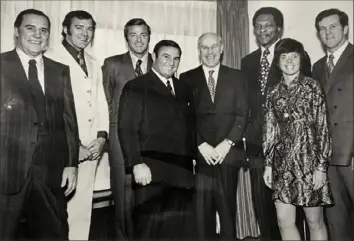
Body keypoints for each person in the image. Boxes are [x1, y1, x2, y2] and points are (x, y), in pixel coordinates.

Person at [0, 9, 79, 239]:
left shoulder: (60, 71)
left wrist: (71, 164)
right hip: (8, 170)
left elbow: (69, 121)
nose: (38, 35)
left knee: (54, 234)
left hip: (51, 173)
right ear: (16, 32)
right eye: (30, 28)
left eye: (44, 30)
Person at [118, 40, 196, 240]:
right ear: (154, 57)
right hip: (150, 170)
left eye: (176, 58)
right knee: (149, 227)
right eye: (166, 57)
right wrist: (136, 163)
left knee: (177, 227)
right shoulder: (136, 86)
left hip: (181, 171)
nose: (171, 62)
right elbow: (127, 129)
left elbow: (189, 127)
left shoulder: (184, 88)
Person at [45, 10, 109, 240]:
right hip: (65, 150)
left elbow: (101, 102)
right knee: (58, 213)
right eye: (79, 28)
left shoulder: (93, 62)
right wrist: (74, 147)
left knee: (82, 212)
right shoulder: (50, 58)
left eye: (89, 29)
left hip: (92, 149)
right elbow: (52, 111)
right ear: (65, 30)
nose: (85, 33)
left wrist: (101, 138)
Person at [263, 38, 334, 240]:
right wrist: (268, 165)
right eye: (284, 57)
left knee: (315, 222)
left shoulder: (313, 87)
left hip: (310, 165)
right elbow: (270, 130)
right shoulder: (273, 92)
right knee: (284, 222)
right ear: (277, 62)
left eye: (294, 56)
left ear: (301, 60)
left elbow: (323, 127)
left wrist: (321, 167)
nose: (289, 61)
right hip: (282, 166)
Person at [179, 32, 248, 240]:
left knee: (227, 211)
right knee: (201, 214)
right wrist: (201, 144)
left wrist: (227, 143)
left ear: (222, 48)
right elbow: (184, 117)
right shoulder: (186, 78)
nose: (210, 52)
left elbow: (243, 114)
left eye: (214, 47)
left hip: (228, 154)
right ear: (199, 51)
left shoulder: (237, 77)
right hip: (201, 156)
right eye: (204, 48)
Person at [102, 18, 153, 239]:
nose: (139, 39)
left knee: (150, 196)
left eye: (143, 34)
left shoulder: (160, 61)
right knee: (123, 197)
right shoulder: (112, 64)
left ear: (149, 37)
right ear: (126, 38)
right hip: (119, 139)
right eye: (133, 34)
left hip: (153, 141)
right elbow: (105, 102)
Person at [240, 7, 284, 240]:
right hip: (256, 144)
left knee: (287, 206)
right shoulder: (247, 62)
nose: (262, 30)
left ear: (279, 28)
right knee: (262, 205)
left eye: (268, 25)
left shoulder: (292, 55)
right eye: (258, 26)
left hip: (286, 145)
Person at [312, 8, 353, 241]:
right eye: (322, 29)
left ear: (345, 28)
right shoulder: (317, 66)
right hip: (326, 158)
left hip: (351, 153)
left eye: (333, 26)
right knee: (336, 219)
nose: (327, 32)